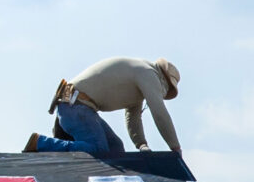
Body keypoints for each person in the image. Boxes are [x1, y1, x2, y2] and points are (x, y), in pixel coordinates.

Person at [26, 57, 182, 155]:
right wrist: (175, 148)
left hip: (76, 105)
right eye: (166, 90)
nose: (162, 94)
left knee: (115, 150)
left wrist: (142, 145)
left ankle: (60, 149)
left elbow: (133, 116)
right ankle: (41, 143)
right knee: (99, 150)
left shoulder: (140, 74)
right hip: (75, 106)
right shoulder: (148, 74)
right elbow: (160, 113)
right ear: (164, 80)